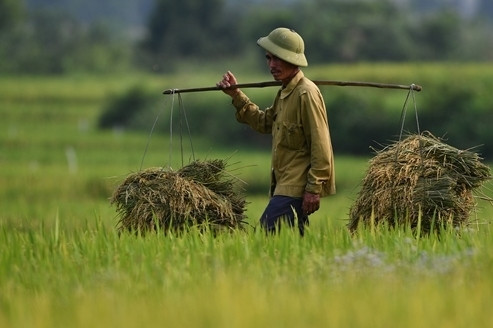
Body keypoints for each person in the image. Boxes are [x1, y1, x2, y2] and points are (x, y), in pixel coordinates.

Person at [217, 27, 335, 236]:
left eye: (278, 59)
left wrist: (313, 189)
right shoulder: (284, 93)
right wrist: (236, 95)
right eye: (269, 58)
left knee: (265, 236)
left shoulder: (306, 93)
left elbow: (321, 144)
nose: (272, 65)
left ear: (293, 60)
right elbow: (264, 123)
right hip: (283, 185)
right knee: (288, 247)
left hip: (295, 188)